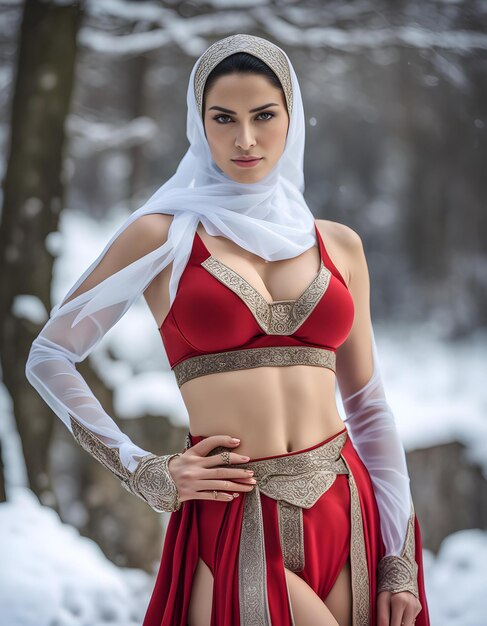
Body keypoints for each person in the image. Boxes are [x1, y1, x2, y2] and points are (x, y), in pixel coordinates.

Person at [25, 33, 430, 626]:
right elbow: (49, 355)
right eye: (224, 118)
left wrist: (399, 556)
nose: (245, 139)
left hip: (348, 511)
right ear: (199, 124)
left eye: (264, 115)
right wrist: (145, 471)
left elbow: (368, 409)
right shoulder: (163, 238)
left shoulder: (339, 245)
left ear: (291, 116)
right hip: (236, 516)